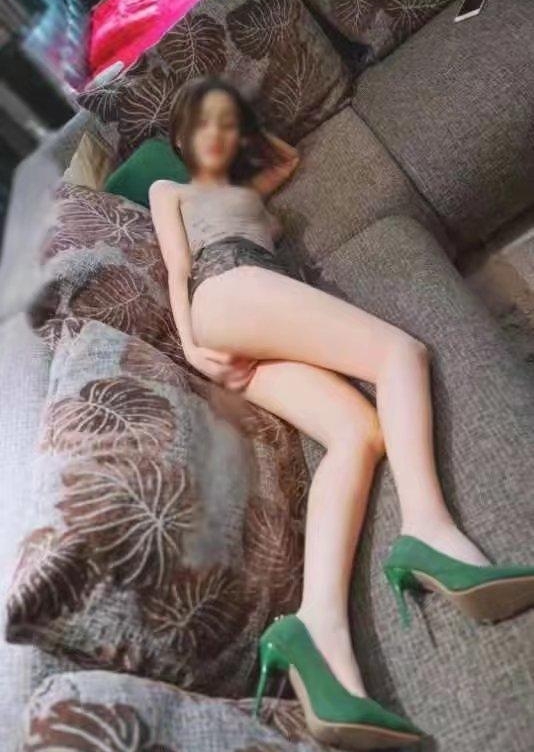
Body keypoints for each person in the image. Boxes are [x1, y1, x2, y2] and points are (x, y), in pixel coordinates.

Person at [149, 74, 534, 750]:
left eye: (226, 123)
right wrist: (190, 345)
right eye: (202, 124)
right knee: (401, 355)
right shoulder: (170, 189)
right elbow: (178, 269)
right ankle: (429, 530)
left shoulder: (253, 193)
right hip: (226, 291)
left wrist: (247, 129)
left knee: (360, 434)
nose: (217, 134)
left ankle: (316, 632)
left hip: (261, 309)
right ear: (180, 141)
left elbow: (287, 159)